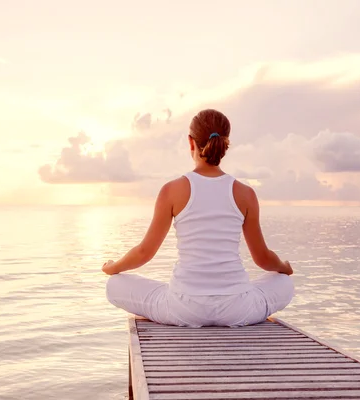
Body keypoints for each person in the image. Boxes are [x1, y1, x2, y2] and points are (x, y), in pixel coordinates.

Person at [102, 109, 294, 327]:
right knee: (283, 282)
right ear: (226, 144)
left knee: (114, 285)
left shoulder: (172, 190)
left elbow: (144, 252)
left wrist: (113, 267)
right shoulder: (245, 193)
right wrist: (283, 267)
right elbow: (262, 258)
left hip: (183, 308)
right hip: (237, 307)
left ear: (191, 142)